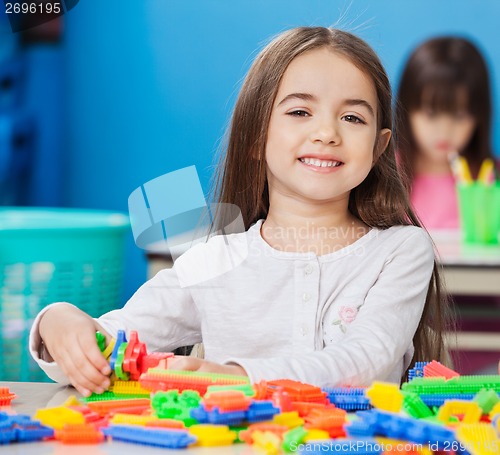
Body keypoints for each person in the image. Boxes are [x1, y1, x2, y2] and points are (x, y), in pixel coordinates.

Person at [30, 27, 450, 397]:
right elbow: (114, 337)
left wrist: (236, 377)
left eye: (353, 117)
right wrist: (59, 323)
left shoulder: (401, 250)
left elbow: (367, 364)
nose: (326, 133)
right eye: (300, 111)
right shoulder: (215, 262)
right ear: (256, 136)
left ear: (378, 149)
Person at [396, 36, 496, 230]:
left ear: (479, 116)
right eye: (431, 114)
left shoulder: (491, 181)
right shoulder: (383, 176)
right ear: (406, 110)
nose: (444, 130)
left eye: (459, 116)